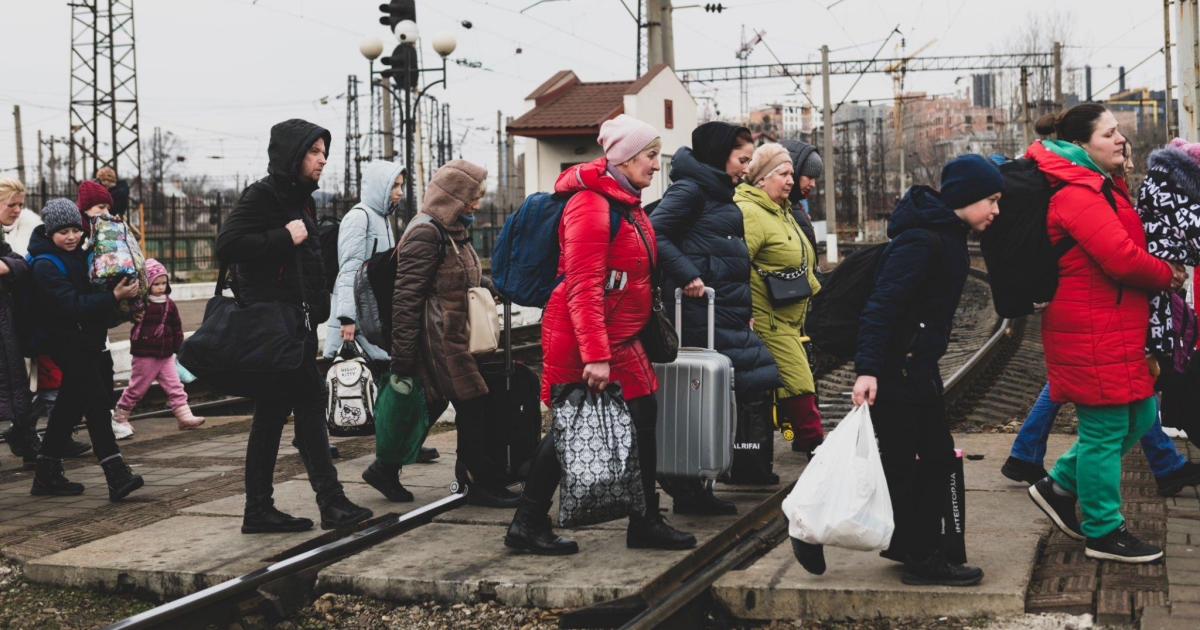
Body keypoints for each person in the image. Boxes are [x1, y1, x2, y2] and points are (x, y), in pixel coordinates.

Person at [505, 115, 696, 556]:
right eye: (650, 156)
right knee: (572, 427)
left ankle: (645, 520)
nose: (655, 165)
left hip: (622, 338)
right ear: (626, 158)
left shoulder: (626, 202)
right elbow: (582, 287)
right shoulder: (591, 206)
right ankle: (527, 523)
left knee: (644, 413)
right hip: (583, 337)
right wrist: (595, 355)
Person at [1023, 104, 1184, 564]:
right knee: (1104, 428)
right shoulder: (1076, 193)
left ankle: (1057, 487)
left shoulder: (1100, 185)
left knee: (1135, 418)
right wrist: (1167, 274)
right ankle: (1103, 531)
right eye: (1109, 133)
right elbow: (1121, 258)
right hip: (1089, 326)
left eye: (1120, 132)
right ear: (1081, 146)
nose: (1121, 140)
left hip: (1111, 323)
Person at [849, 154, 1003, 585]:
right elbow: (880, 307)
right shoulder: (922, 241)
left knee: (928, 460)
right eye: (990, 200)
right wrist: (867, 370)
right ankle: (922, 560)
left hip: (917, 368)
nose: (995, 209)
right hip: (897, 373)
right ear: (966, 197)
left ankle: (908, 544)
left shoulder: (948, 234)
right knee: (916, 463)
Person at [215, 119, 372, 534]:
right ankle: (330, 502)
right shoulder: (264, 195)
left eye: (324, 152)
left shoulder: (302, 199)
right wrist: (284, 237)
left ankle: (260, 509)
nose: (322, 159)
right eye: (313, 152)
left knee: (272, 415)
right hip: (274, 324)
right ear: (292, 154)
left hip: (294, 325)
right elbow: (227, 244)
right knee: (307, 402)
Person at [649, 122, 783, 508]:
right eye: (742, 159)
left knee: (732, 388)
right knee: (712, 392)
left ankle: (697, 484)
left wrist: (745, 314)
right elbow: (654, 233)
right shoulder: (692, 190)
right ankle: (687, 486)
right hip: (698, 314)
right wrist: (686, 273)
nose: (746, 167)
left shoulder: (719, 192)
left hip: (723, 312)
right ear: (719, 154)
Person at [389, 159, 512, 506]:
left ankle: (385, 468)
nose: (477, 204)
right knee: (473, 404)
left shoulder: (453, 228)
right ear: (454, 196)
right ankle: (480, 485)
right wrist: (402, 358)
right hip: (439, 337)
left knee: (437, 404)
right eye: (472, 197)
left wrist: (490, 285)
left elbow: (462, 275)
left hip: (455, 332)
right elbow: (406, 297)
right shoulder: (425, 232)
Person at [26, 199, 144, 501]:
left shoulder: (80, 255)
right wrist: (113, 296)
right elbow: (72, 306)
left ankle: (46, 475)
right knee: (96, 402)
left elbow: (95, 291)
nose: (71, 237)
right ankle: (116, 474)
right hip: (66, 341)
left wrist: (124, 304)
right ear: (50, 232)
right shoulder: (45, 264)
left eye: (75, 230)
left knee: (69, 405)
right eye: (63, 231)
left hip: (87, 340)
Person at [735, 144, 824, 458]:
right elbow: (737, 267)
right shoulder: (751, 213)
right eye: (783, 174)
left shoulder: (780, 210)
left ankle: (802, 438)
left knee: (793, 376)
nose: (791, 180)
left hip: (786, 315)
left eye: (790, 174)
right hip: (766, 316)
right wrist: (744, 313)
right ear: (761, 179)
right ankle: (811, 439)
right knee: (797, 377)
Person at [1003, 382, 1200, 495]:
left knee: (1062, 377)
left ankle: (1025, 456)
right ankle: (1166, 465)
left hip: (1079, 315)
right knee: (1135, 378)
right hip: (1098, 316)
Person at [113, 259, 205, 431]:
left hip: (165, 355)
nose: (161, 287)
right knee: (137, 388)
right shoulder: (141, 303)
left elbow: (177, 328)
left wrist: (179, 350)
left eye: (164, 283)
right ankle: (120, 417)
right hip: (145, 354)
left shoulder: (170, 304)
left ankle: (184, 417)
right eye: (156, 284)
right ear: (146, 284)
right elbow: (125, 311)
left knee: (175, 386)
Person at [0, 179, 36, 469]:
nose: (17, 210)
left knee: (15, 386)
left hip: (6, 328)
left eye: (20, 205)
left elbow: (21, 263)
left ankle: (26, 438)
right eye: (11, 204)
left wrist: (7, 266)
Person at [780, 140, 823, 247]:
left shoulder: (795, 206)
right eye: (809, 177)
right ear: (795, 172)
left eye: (815, 178)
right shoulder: (778, 208)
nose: (813, 184)